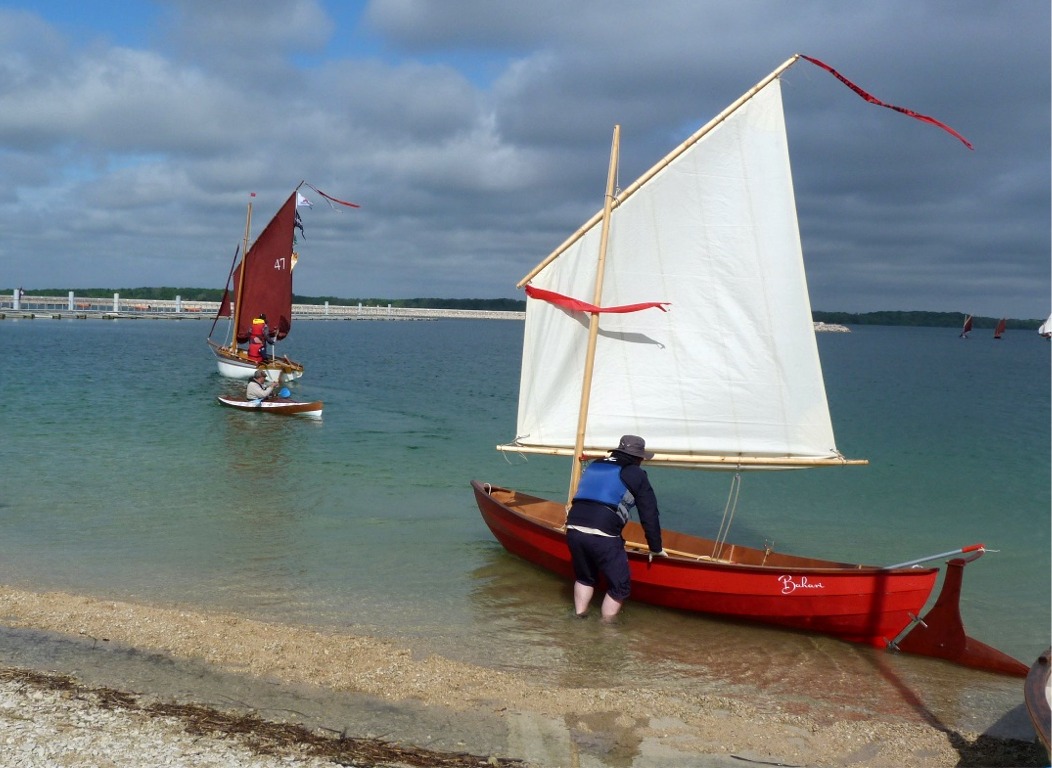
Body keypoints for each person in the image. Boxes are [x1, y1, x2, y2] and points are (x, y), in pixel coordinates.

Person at [565, 434, 666, 621]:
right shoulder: (636, 473)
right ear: (638, 458)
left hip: (573, 527)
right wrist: (655, 548)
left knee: (585, 577)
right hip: (602, 533)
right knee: (620, 586)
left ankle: (578, 618)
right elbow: (649, 514)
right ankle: (607, 629)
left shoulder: (596, 463)